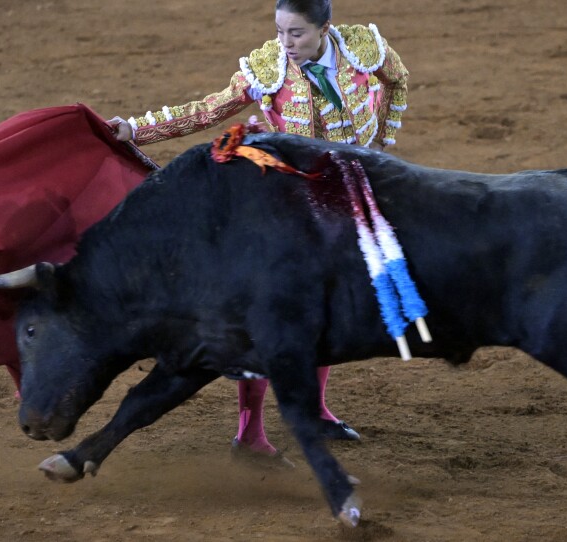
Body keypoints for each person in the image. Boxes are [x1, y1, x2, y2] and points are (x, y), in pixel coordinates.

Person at [109, 0, 409, 465]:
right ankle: (249, 433)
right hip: (281, 207)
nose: (285, 44)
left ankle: (312, 407)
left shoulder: (364, 48)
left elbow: (398, 78)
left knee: (325, 309)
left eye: (296, 34)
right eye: (280, 31)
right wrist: (136, 129)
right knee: (268, 319)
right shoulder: (268, 68)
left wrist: (384, 141)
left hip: (340, 202)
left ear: (325, 29)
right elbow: (206, 111)